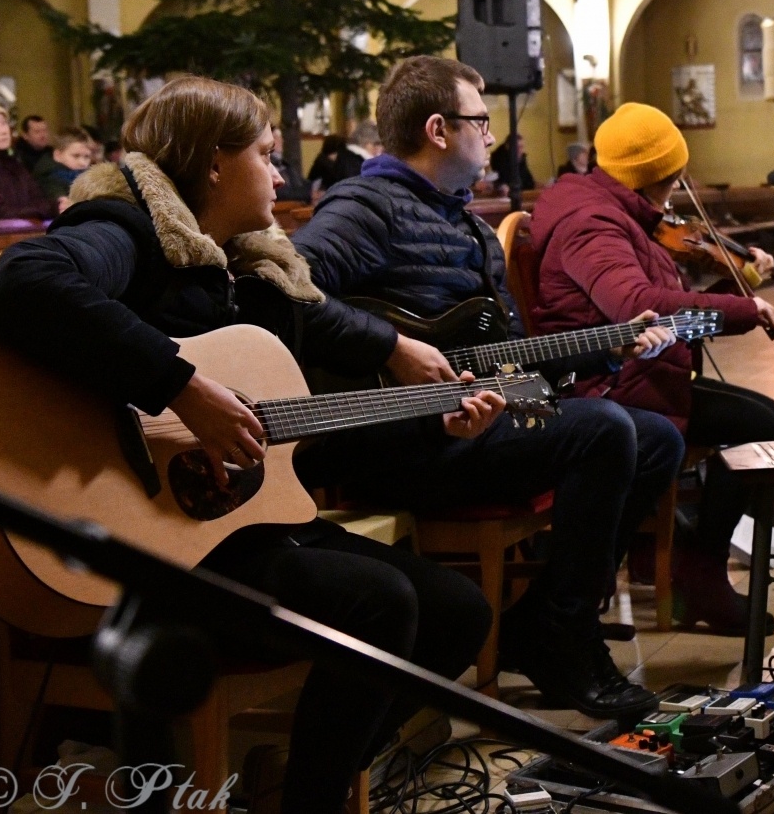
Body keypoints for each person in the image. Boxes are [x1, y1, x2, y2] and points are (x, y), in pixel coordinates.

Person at [0, 77, 497, 814]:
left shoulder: (248, 261)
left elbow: (313, 342)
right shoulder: (128, 229)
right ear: (215, 164)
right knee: (380, 601)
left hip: (234, 526)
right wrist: (180, 385)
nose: (282, 176)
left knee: (458, 609)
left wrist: (425, 389)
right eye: (267, 155)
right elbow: (21, 284)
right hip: (149, 543)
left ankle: (306, 775)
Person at [292, 56, 683, 718]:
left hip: (468, 420)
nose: (491, 137)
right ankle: (564, 639)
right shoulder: (368, 206)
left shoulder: (468, 225)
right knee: (605, 430)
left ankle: (548, 622)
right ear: (439, 129)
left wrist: (601, 348)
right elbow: (289, 286)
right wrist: (391, 347)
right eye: (481, 121)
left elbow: (499, 358)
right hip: (396, 436)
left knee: (655, 438)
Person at [530, 102, 774, 634]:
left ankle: (688, 559)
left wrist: (743, 291)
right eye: (673, 177)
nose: (676, 191)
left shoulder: (611, 206)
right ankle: (699, 572)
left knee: (761, 417)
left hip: (640, 368)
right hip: (604, 383)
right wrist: (741, 308)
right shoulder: (591, 223)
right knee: (759, 424)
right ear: (653, 176)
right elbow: (639, 310)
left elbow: (662, 317)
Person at [0, 102, 58, 219]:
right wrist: (52, 209)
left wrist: (56, 206)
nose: (3, 131)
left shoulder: (12, 162)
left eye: (4, 123)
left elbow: (38, 198)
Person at [32, 127, 95, 201]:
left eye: (86, 157)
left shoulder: (88, 178)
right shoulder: (47, 179)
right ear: (57, 155)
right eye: (76, 156)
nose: (82, 163)